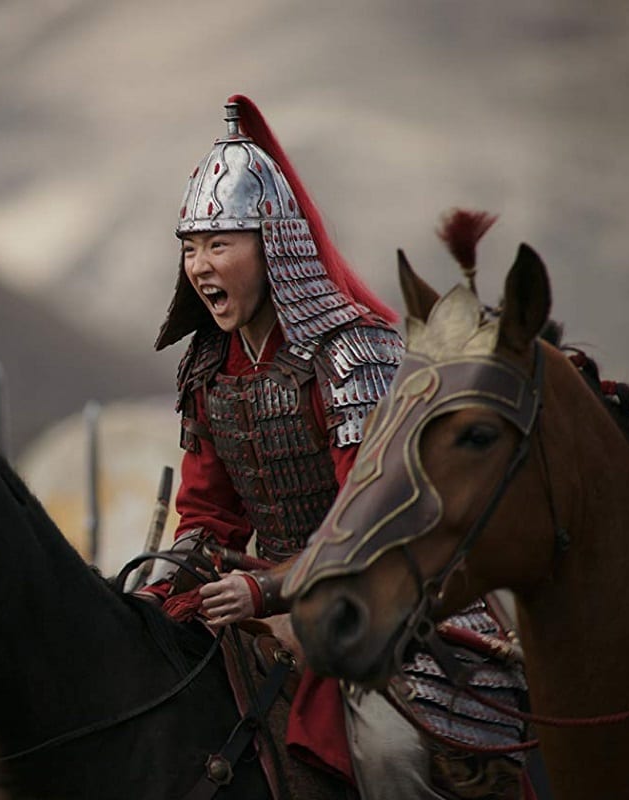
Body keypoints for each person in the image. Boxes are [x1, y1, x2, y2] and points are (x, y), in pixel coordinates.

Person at [142, 96, 529, 800]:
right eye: (191, 246)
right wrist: (163, 584)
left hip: (394, 599)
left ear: (273, 245)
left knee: (388, 755)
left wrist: (265, 588)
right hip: (270, 601)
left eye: (220, 244)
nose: (200, 264)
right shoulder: (208, 366)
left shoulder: (351, 356)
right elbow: (207, 514)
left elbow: (376, 522)